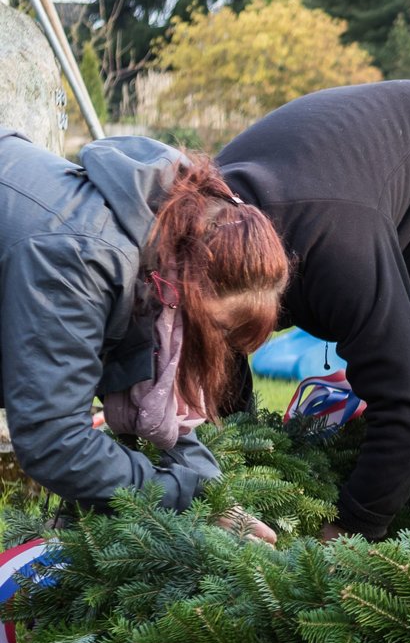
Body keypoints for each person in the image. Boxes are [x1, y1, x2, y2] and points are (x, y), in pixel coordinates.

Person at [217, 80, 410, 544]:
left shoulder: (335, 248)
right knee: (217, 329)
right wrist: (230, 492)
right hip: (347, 190)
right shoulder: (201, 240)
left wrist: (352, 525)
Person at [0, 129, 289, 543]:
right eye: (215, 331)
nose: (212, 349)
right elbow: (55, 441)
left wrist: (212, 491)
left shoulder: (161, 236)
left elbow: (135, 359)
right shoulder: (82, 258)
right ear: (185, 290)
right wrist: (185, 499)